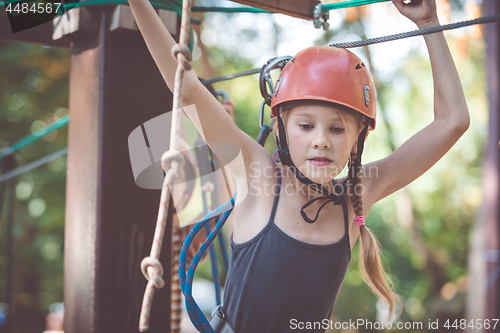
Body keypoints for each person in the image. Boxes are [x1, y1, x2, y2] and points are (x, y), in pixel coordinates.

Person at [126, 0, 470, 331]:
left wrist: (429, 24)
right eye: (305, 126)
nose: (321, 140)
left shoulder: (356, 197)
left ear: (358, 139)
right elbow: (184, 87)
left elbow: (452, 122)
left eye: (336, 129)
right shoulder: (258, 175)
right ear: (281, 129)